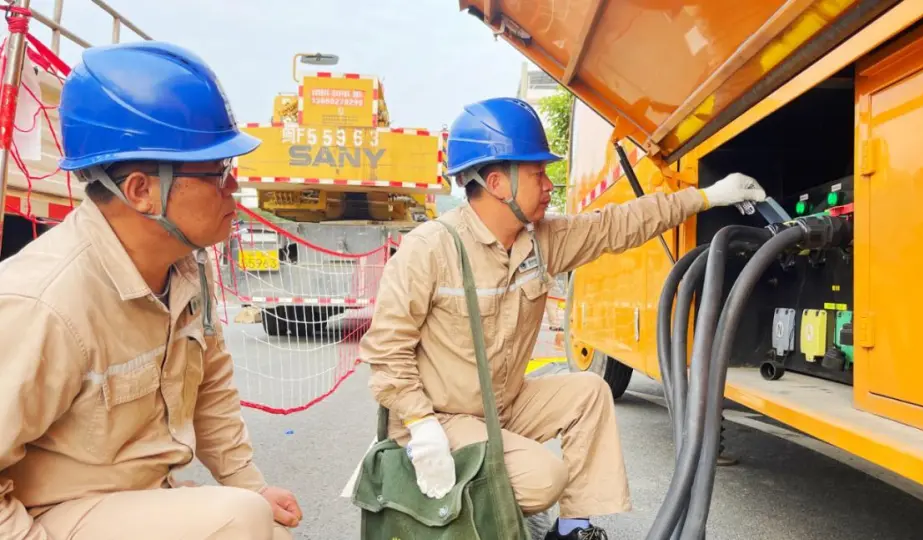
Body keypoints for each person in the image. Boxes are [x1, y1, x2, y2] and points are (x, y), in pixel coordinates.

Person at [359, 97, 766, 539]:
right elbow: (386, 350)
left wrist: (708, 196)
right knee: (543, 477)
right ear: (497, 183)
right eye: (538, 173)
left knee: (589, 392)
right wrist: (420, 426)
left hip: (502, 407)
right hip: (442, 420)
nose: (549, 184)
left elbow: (618, 224)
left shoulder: (540, 240)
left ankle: (571, 532)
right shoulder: (431, 249)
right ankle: (474, 518)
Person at [0, 42, 302, 539]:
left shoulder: (185, 268)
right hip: (48, 517)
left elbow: (211, 385)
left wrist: (249, 483)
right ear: (141, 190)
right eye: (217, 173)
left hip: (135, 499)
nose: (234, 190)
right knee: (240, 522)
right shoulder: (46, 303)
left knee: (257, 514)